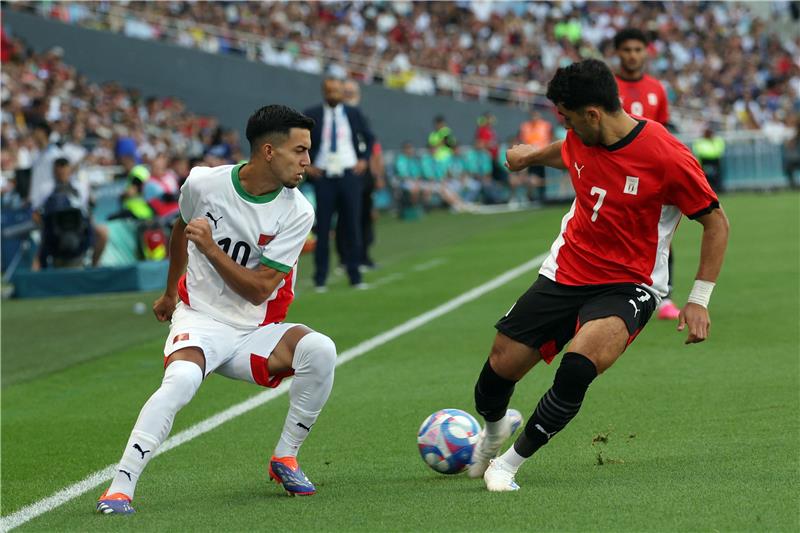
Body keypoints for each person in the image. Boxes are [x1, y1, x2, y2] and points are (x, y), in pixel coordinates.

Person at [469, 59, 729, 492]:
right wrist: (528, 156)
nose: (563, 126)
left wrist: (699, 298)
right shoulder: (581, 136)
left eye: (567, 117)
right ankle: (494, 430)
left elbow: (716, 222)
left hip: (630, 284)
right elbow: (565, 150)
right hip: (565, 271)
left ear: (592, 114)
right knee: (498, 369)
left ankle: (508, 464)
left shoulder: (666, 156)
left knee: (577, 368)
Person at [96, 105, 338, 514]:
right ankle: (120, 487)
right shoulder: (204, 183)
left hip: (256, 329)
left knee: (321, 350)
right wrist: (171, 292)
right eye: (299, 150)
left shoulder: (297, 211)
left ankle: (285, 457)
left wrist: (209, 248)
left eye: (308, 151)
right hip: (201, 319)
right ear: (267, 151)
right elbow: (180, 227)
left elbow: (261, 289)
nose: (307, 161)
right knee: (182, 380)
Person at [614, 27, 680, 321]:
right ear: (618, 53)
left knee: (661, 236)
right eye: (627, 50)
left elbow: (662, 133)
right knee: (612, 233)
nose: (632, 55)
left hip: (651, 175)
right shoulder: (607, 87)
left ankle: (665, 296)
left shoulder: (657, 89)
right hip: (615, 174)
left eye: (637, 50)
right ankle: (610, 292)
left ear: (646, 52)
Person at [304, 77, 375, 291]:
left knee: (352, 224)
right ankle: (320, 277)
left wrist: (364, 159)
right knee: (323, 226)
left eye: (337, 90)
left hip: (348, 174)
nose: (334, 94)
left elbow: (369, 137)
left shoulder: (353, 113)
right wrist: (308, 165)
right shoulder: (312, 114)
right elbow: (299, 141)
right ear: (324, 92)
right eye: (330, 90)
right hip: (324, 175)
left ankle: (355, 275)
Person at [518, 109, 553, 203]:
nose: (534, 118)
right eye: (533, 115)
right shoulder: (525, 126)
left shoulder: (545, 125)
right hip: (530, 155)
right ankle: (531, 196)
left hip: (543, 154)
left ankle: (543, 195)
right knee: (531, 176)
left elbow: (549, 138)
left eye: (536, 115)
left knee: (543, 176)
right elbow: (523, 140)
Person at [692, 127, 726, 193]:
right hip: (704, 161)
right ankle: (707, 189)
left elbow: (719, 150)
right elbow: (697, 150)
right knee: (705, 177)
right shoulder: (700, 141)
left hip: (715, 160)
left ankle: (718, 188)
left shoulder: (717, 140)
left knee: (716, 176)